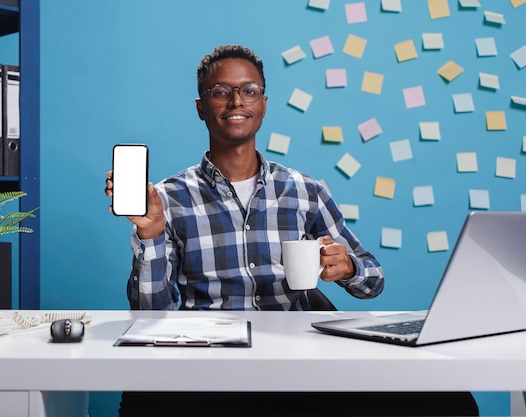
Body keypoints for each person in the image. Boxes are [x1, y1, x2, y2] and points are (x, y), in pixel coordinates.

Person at [105, 45, 478, 416]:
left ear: (263, 105)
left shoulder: (305, 190)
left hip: (297, 364)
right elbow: (149, 315)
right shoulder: (167, 197)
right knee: (144, 402)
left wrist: (347, 267)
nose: (236, 101)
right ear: (202, 108)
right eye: (221, 92)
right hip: (207, 367)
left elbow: (373, 282)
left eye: (248, 91)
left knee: (450, 402)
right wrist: (151, 234)